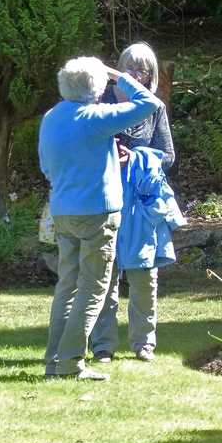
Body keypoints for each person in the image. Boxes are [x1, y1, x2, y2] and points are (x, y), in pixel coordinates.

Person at [40, 57, 161, 379]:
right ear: (97, 89)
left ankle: (54, 361)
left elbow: (46, 168)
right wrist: (118, 75)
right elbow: (149, 102)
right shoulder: (96, 117)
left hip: (63, 211)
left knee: (67, 286)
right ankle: (69, 364)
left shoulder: (51, 117)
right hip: (97, 214)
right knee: (92, 290)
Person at [90, 43, 176, 364]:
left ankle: (144, 344)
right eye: (129, 68)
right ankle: (103, 346)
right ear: (118, 72)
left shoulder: (154, 108)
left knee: (143, 275)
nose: (135, 74)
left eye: (143, 70)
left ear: (152, 77)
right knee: (105, 273)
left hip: (141, 202)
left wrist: (135, 157)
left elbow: (168, 156)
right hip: (105, 197)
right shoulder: (101, 103)